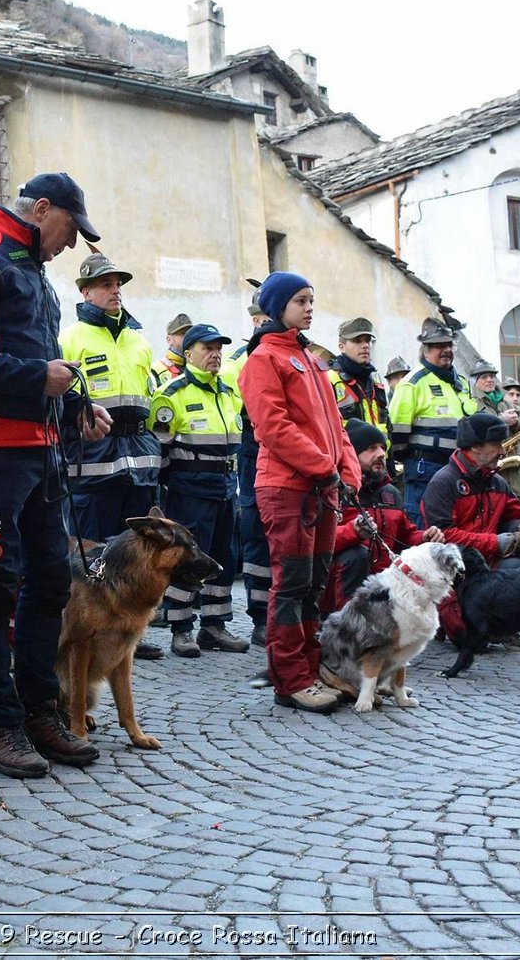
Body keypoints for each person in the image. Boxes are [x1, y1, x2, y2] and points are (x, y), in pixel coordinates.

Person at [0, 172, 112, 778]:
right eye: (69, 228)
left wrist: (75, 405)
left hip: (37, 447)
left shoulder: (33, 270)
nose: (70, 244)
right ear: (41, 209)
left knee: (53, 583)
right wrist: (37, 379)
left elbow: (38, 359)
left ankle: (40, 711)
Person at [239, 271, 360, 715]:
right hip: (287, 489)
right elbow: (273, 428)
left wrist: (347, 471)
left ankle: (310, 669)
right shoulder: (263, 359)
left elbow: (336, 426)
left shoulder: (311, 360)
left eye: (312, 300)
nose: (310, 308)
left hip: (320, 488)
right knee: (290, 586)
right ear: (277, 307)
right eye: (301, 301)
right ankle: (290, 679)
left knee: (314, 585)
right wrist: (326, 469)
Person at [149, 323, 245, 657]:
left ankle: (214, 626)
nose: (215, 354)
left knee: (225, 559)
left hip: (225, 489)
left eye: (219, 348)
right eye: (207, 348)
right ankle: (181, 629)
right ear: (188, 353)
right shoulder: (171, 393)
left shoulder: (230, 393)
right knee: (187, 561)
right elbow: (159, 450)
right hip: (189, 492)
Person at [60, 253, 160, 542]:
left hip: (141, 466)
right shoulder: (69, 339)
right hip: (93, 465)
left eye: (117, 284)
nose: (116, 290)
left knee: (138, 557)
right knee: (92, 554)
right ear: (86, 292)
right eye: (106, 284)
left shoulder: (139, 340)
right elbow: (59, 402)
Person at [325, 420, 442, 613]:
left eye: (382, 448)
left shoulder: (390, 493)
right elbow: (317, 543)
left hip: (382, 591)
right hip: (335, 594)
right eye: (371, 448)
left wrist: (424, 538)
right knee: (356, 555)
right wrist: (353, 532)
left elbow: (404, 537)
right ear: (352, 454)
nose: (381, 454)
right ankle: (345, 624)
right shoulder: (333, 491)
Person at [388, 318, 481, 526]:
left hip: (459, 470)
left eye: (449, 344)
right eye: (439, 346)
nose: (446, 350)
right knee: (425, 529)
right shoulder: (413, 383)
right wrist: (410, 458)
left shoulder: (461, 384)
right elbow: (397, 431)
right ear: (426, 350)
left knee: (456, 528)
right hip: (425, 470)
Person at [421, 413, 520, 567]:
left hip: (490, 563)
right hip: (457, 570)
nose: (503, 451)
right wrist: (495, 543)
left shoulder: (497, 482)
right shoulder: (443, 483)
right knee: (516, 567)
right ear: (475, 446)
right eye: (496, 444)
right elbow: (444, 536)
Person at [224, 290, 271, 645]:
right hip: (254, 453)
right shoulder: (240, 361)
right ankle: (260, 617)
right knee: (256, 536)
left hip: (284, 455)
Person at [328, 318, 391, 446]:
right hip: (348, 461)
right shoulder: (330, 379)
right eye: (357, 341)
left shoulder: (375, 380)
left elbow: (386, 425)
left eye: (368, 340)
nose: (365, 345)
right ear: (342, 347)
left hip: (378, 460)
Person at [149, 313, 193, 389]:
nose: (188, 337)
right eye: (182, 333)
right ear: (169, 340)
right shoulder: (156, 370)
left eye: (190, 333)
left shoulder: (200, 367)